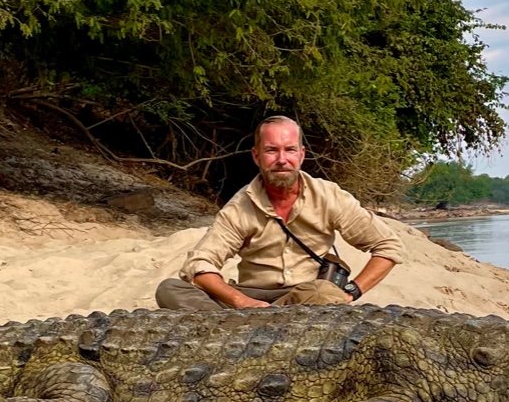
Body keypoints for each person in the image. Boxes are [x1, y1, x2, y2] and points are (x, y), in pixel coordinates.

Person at [155, 116, 404, 314]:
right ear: (257, 156)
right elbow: (200, 263)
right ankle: (247, 325)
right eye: (272, 150)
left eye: (290, 150)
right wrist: (241, 301)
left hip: (307, 296)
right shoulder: (239, 206)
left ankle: (241, 329)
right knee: (169, 290)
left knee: (323, 294)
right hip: (250, 296)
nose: (282, 159)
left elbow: (387, 246)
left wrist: (351, 292)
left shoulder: (329, 196)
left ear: (302, 155)